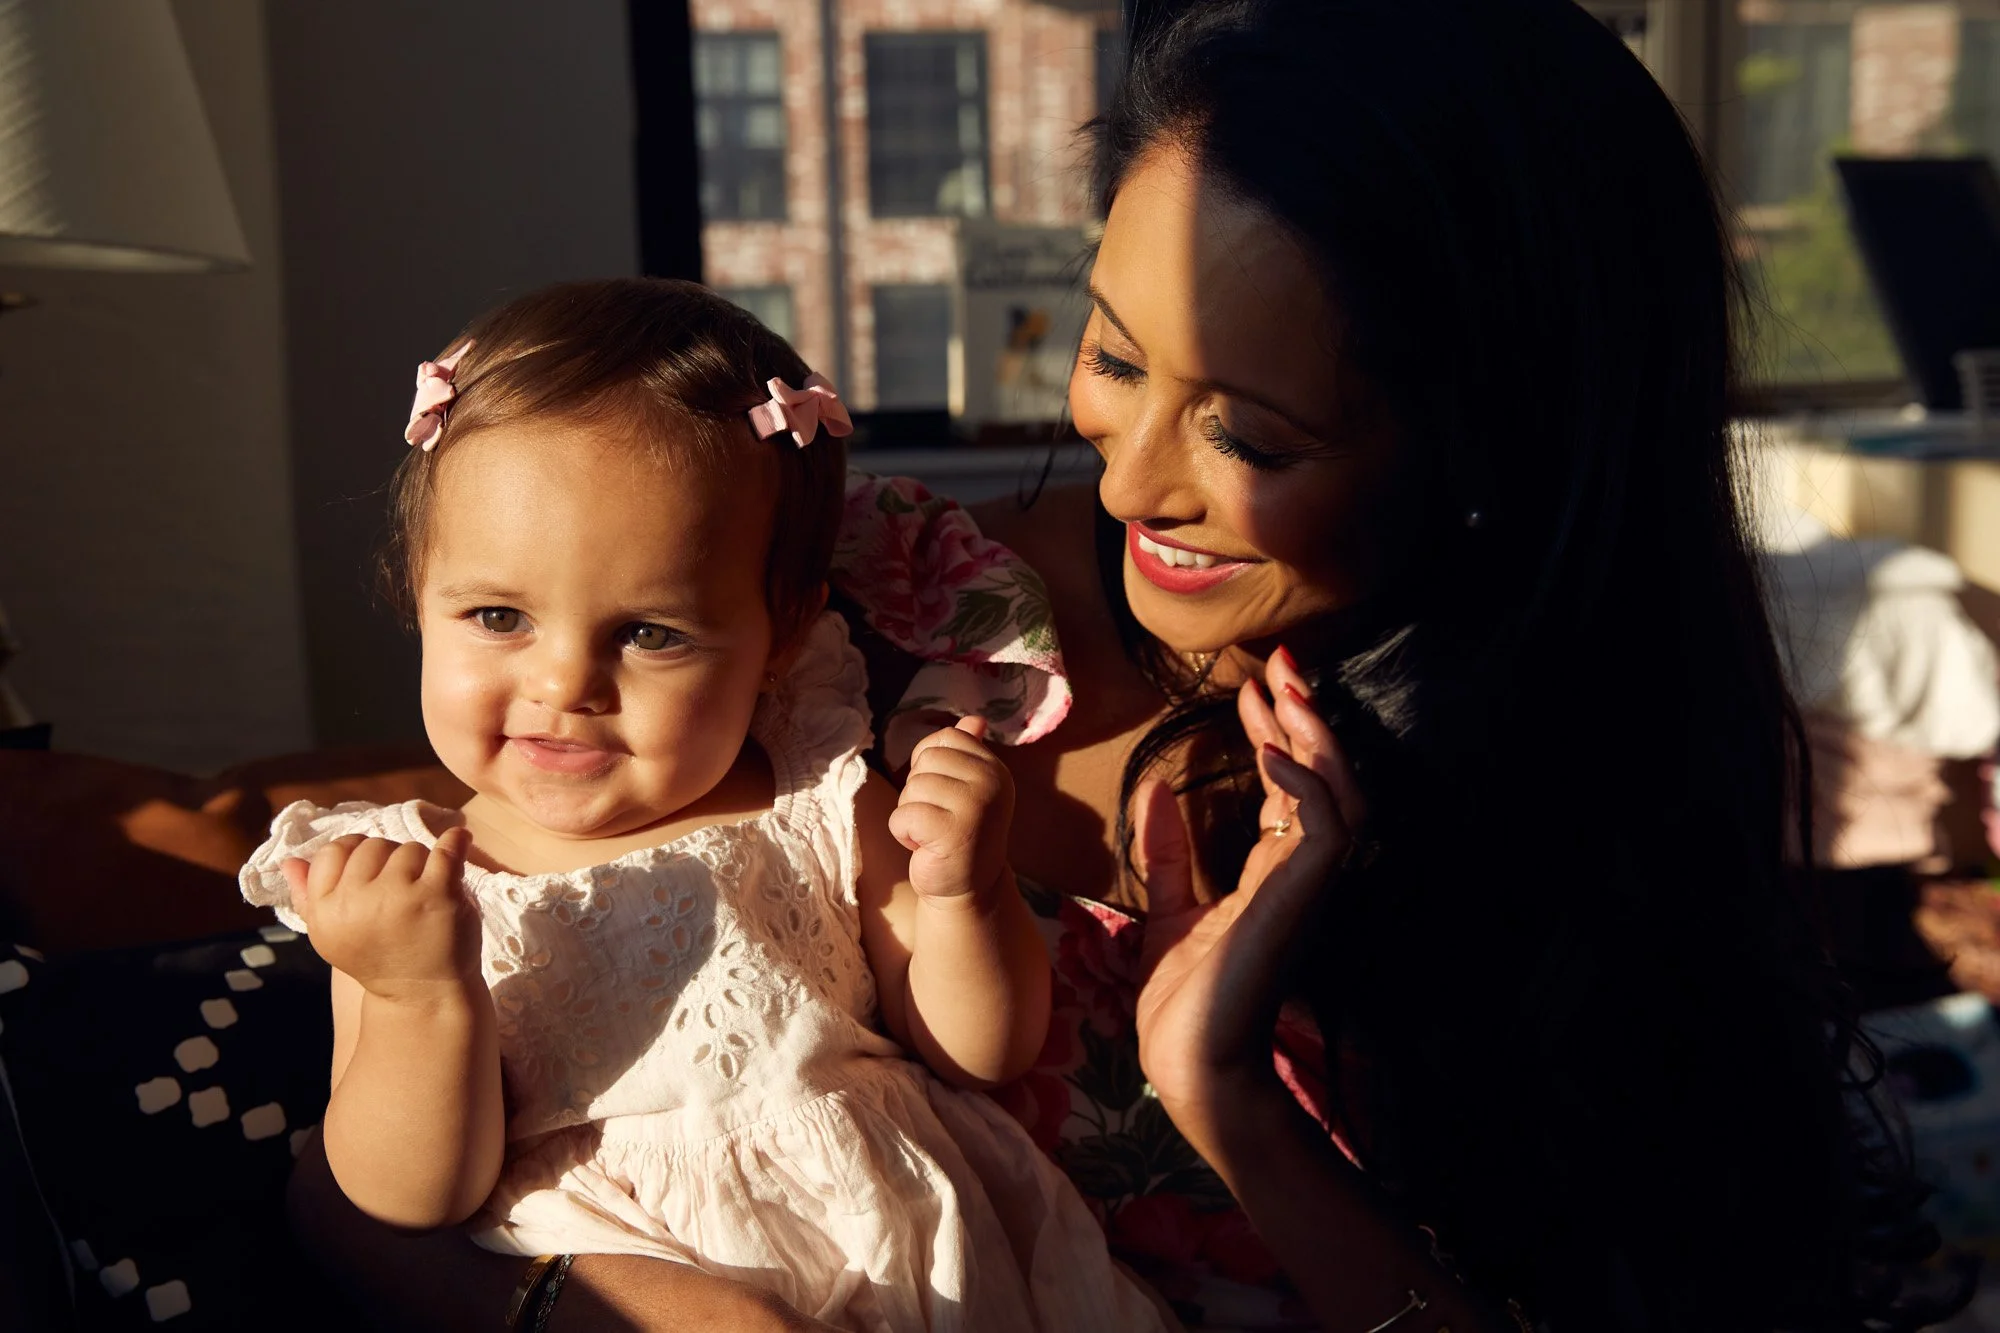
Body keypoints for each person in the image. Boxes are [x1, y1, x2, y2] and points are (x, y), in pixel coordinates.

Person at [287, 1, 1963, 1329]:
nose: (1134, 474)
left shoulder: (1558, 828)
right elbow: (370, 1133)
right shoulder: (858, 609)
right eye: (1111, 353)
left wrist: (1223, 1092)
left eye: (1245, 428)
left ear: (1485, 450)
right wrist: (612, 1304)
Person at [240, 279, 1169, 1332]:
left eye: (649, 633)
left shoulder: (817, 798)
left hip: (913, 1268)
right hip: (626, 1286)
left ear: (779, 636)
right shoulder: (413, 888)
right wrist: (416, 995)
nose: (565, 682)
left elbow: (980, 1054)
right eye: (498, 615)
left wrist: (963, 890)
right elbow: (411, 1196)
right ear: (419, 590)